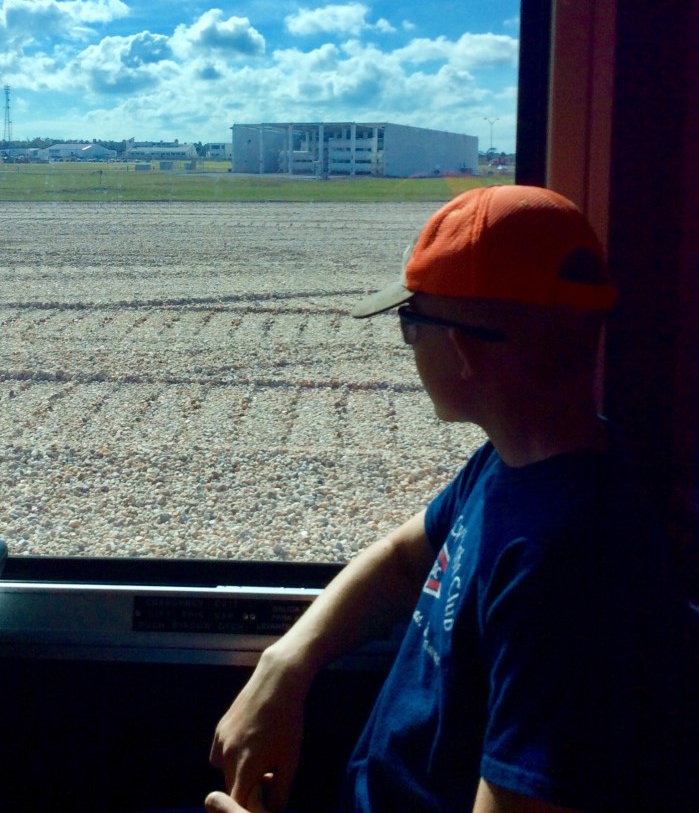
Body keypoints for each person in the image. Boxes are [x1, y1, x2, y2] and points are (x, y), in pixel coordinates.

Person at [205, 185, 699, 813]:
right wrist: (287, 662)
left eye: (412, 325)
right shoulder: (519, 462)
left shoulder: (572, 568)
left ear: (462, 350)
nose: (408, 346)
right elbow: (403, 557)